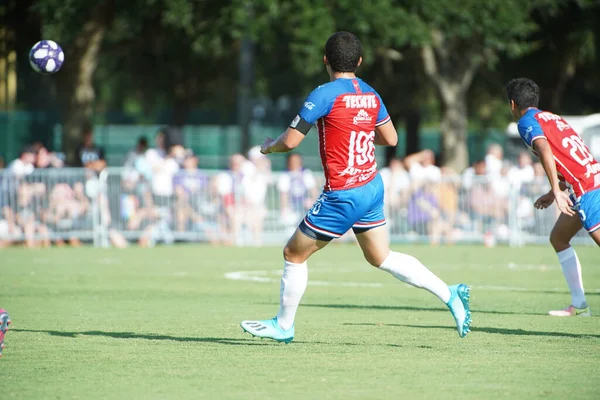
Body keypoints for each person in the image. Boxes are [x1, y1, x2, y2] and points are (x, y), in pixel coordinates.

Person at [240, 32, 471, 343]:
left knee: (293, 253)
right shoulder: (371, 94)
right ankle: (449, 293)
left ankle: (283, 325)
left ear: (325, 60)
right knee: (381, 257)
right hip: (371, 186)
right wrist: (356, 132)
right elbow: (391, 139)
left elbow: (292, 141)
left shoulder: (324, 94)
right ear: (359, 62)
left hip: (343, 192)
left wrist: (268, 147)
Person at [506, 78, 600, 317]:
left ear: (513, 104)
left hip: (588, 190)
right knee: (559, 237)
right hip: (591, 180)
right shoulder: (553, 118)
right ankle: (579, 305)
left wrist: (557, 191)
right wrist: (553, 192)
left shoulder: (526, 122)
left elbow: (545, 149)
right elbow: (569, 157)